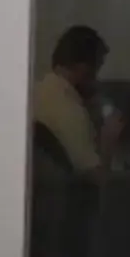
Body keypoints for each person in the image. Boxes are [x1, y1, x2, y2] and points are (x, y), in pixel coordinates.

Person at [30, 24, 115, 176]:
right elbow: (98, 179)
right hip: (71, 194)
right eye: (97, 68)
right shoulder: (70, 111)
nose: (96, 78)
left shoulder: (37, 91)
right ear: (84, 68)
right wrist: (109, 138)